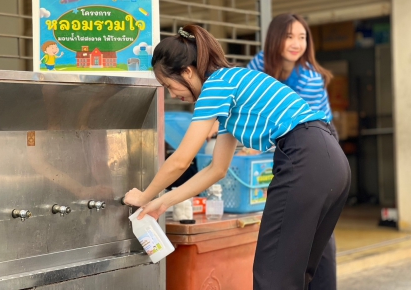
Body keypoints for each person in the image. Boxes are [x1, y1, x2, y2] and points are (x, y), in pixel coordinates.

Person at [123, 24, 351, 290]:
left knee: (273, 276)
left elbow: (181, 160)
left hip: (305, 157)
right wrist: (163, 202)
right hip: (332, 159)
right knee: (301, 276)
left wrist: (144, 196)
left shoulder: (215, 87)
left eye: (168, 85)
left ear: (187, 71)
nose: (173, 94)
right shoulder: (234, 83)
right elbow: (217, 169)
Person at [247, 13, 338, 290]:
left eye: (302, 37)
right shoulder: (260, 63)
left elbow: (298, 128)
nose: (296, 43)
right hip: (283, 146)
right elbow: (249, 101)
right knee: (299, 230)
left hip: (317, 145)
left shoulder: (309, 78)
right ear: (275, 38)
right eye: (289, 36)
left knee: (318, 232)